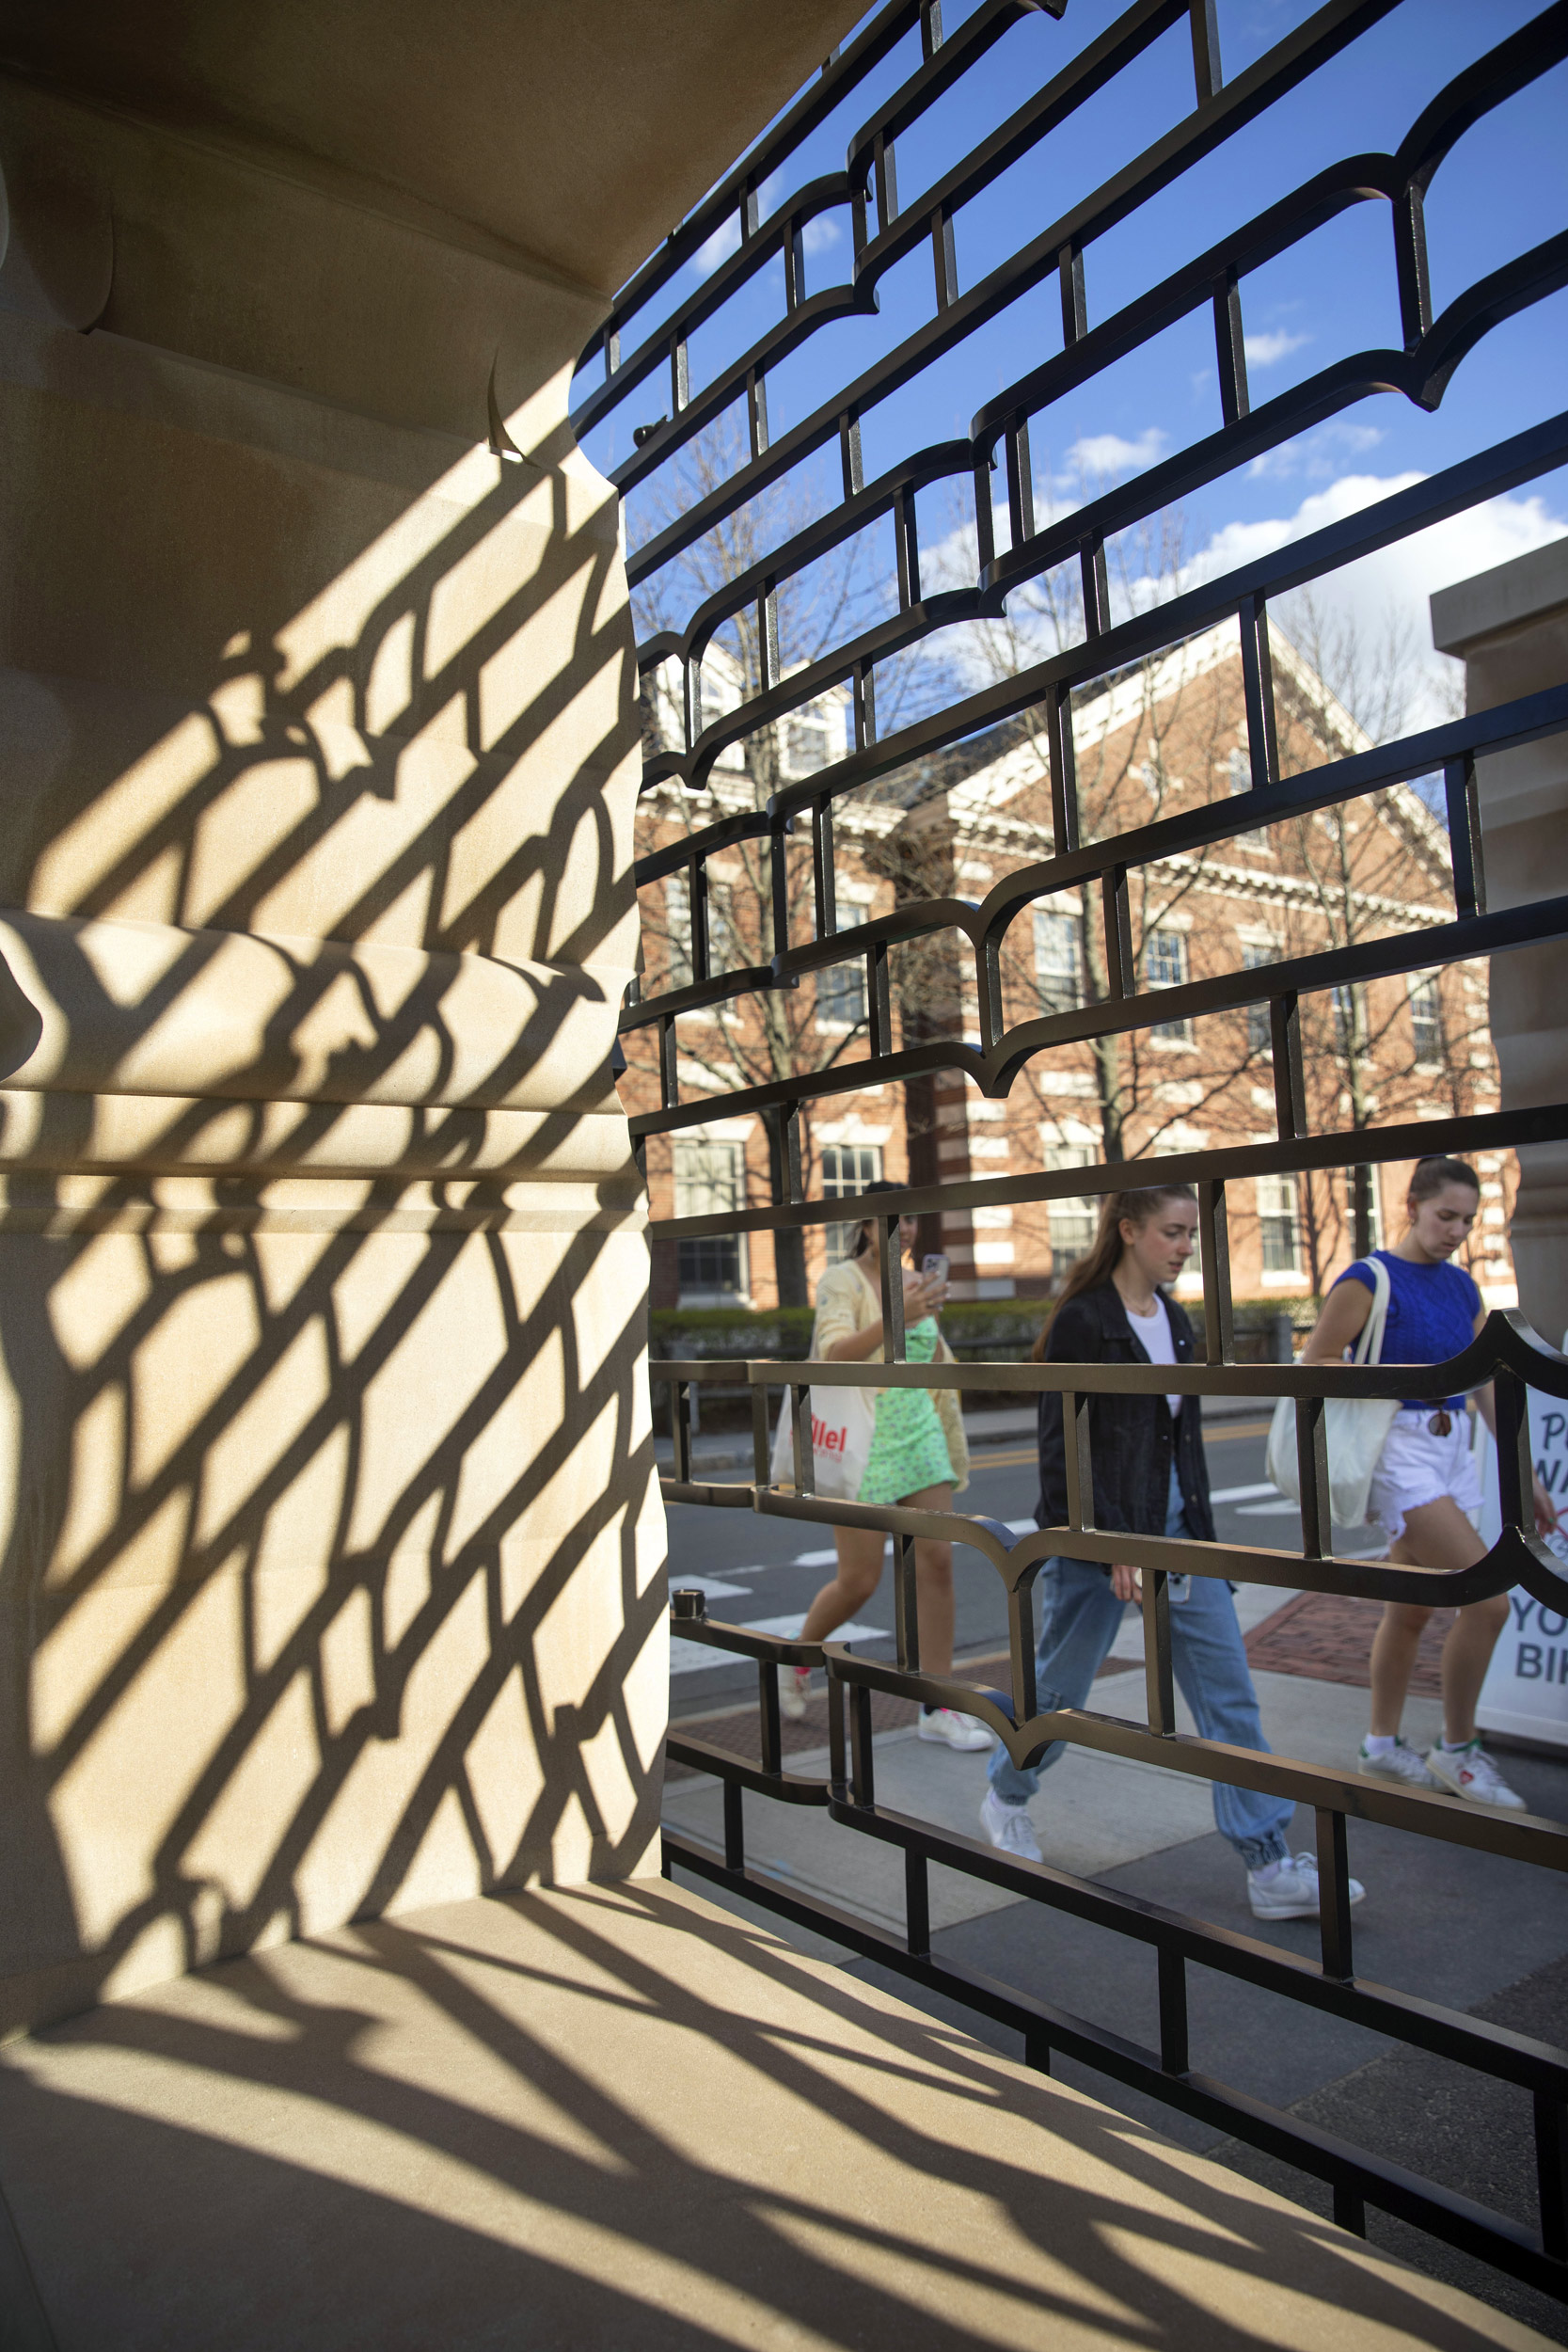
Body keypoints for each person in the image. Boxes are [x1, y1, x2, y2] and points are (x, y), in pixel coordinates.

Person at [980, 1182, 1362, 1923]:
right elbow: (1062, 1453)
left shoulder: (1177, 1322)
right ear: (1126, 1230)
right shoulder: (1084, 1322)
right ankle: (1005, 1796)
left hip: (1180, 1537)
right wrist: (1108, 1541)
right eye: (1172, 1232)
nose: (1185, 1247)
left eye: (1190, 1234)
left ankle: (1268, 1863)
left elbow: (1180, 1448)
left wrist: (1201, 1543)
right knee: (1059, 1691)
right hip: (1099, 1541)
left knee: (1228, 1696)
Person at [1299, 1154, 1559, 1808]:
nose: (1454, 1231)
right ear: (1410, 1205)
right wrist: (1388, 1385)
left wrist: (1521, 1471)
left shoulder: (1461, 1287)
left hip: (1450, 1448)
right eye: (1444, 1215)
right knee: (1488, 1599)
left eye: (1466, 1221)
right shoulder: (1367, 1279)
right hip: (1396, 1449)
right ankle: (1457, 1750)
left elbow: (1482, 1383)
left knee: (1410, 1608)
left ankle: (1380, 1748)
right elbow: (1316, 1362)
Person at [783, 1183, 990, 1751]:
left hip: (917, 1433)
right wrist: (902, 1313)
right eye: (888, 1220)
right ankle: (798, 1657)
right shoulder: (841, 1281)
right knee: (859, 1581)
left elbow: (928, 1358)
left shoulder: (914, 1282)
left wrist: (927, 1320)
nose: (903, 1229)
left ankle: (938, 1704)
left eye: (911, 1220)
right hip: (862, 1440)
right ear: (865, 1226)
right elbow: (831, 1354)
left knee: (939, 1562)